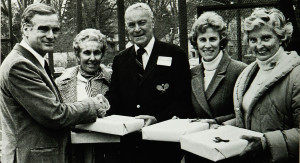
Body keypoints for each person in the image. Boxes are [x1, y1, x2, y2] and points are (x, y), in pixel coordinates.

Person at [0, 3, 109, 163]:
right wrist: (92, 105)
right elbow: (54, 115)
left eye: (55, 29)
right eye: (44, 29)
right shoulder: (20, 65)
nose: (51, 35)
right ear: (25, 29)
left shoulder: (31, 61)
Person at [107, 2, 192, 163]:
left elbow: (183, 102)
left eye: (142, 22)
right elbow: (115, 96)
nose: (137, 29)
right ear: (126, 28)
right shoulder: (120, 59)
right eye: (131, 25)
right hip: (130, 148)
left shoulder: (175, 54)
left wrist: (157, 119)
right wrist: (101, 104)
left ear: (152, 22)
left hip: (163, 146)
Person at [233, 8, 299, 163]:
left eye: (266, 38)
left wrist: (266, 142)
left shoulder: (297, 74)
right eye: (253, 40)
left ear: (281, 37)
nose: (259, 45)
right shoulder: (248, 72)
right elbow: (250, 114)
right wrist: (219, 124)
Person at [184, 11, 247, 163]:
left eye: (212, 39)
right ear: (196, 42)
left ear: (221, 40)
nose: (207, 45)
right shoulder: (191, 73)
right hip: (198, 151)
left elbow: (245, 115)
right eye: (202, 39)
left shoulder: (240, 70)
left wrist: (217, 122)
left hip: (228, 152)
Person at [55, 28, 112, 163]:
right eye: (86, 53)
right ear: (77, 54)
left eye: (97, 52)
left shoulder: (113, 80)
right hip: (72, 153)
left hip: (106, 151)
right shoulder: (61, 83)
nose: (92, 58)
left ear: (102, 54)